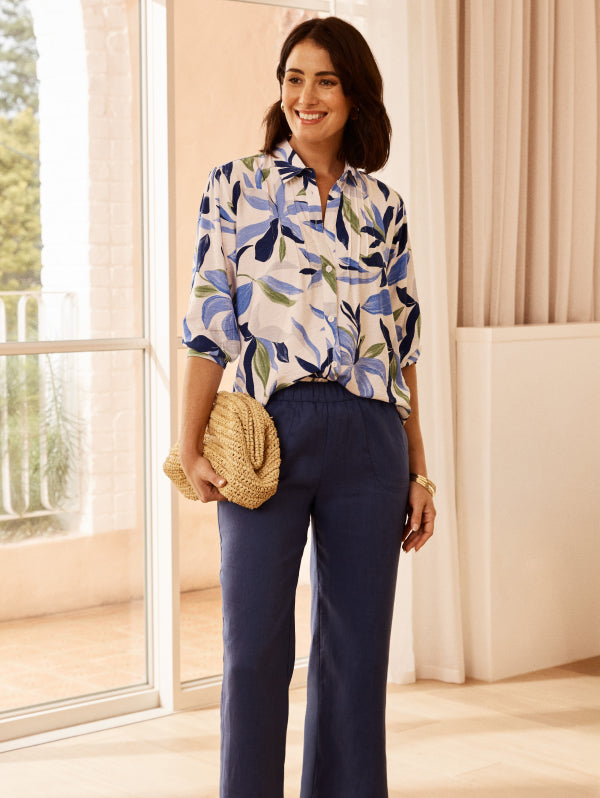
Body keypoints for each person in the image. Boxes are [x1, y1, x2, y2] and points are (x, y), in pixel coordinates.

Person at [179, 16, 436, 798]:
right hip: (266, 434)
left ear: (354, 92)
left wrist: (420, 473)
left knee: (356, 657)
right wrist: (188, 446)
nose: (305, 95)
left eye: (324, 79)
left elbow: (403, 354)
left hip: (368, 439)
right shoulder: (236, 186)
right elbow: (206, 327)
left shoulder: (382, 206)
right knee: (253, 647)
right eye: (293, 77)